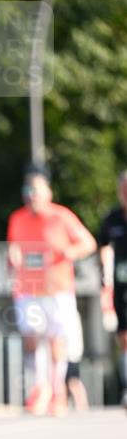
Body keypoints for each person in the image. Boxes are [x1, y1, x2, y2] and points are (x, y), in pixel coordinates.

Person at [7, 172, 97, 416]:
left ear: (48, 193)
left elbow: (88, 243)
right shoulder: (17, 218)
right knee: (32, 338)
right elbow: (14, 247)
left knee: (56, 340)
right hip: (28, 289)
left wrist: (69, 252)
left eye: (36, 191)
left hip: (57, 288)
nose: (31, 196)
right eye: (28, 191)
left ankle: (58, 391)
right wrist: (13, 258)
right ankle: (40, 388)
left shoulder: (61, 216)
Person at [98, 170, 127, 407]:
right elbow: (104, 245)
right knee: (124, 337)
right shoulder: (113, 218)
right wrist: (106, 274)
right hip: (121, 285)